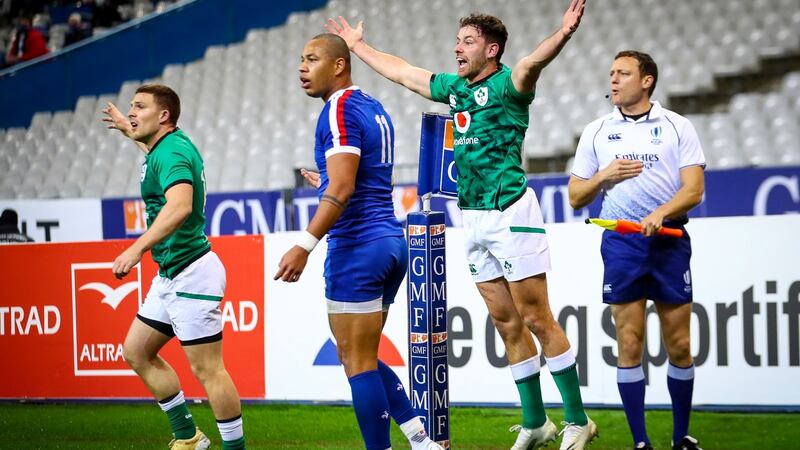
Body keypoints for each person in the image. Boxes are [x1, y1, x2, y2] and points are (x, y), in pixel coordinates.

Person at [326, 2, 598, 449]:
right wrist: (360, 48)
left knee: (536, 317)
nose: (458, 48)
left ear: (492, 50)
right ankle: (536, 423)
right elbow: (404, 72)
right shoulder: (456, 89)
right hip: (471, 216)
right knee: (506, 322)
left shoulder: (510, 86)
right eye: (458, 41)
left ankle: (577, 419)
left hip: (511, 212)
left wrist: (563, 34)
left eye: (468, 41)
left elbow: (532, 62)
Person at [274, 33, 444, 450]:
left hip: (357, 247)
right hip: (388, 241)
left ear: (338, 65)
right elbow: (357, 179)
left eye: (311, 59)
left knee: (357, 362)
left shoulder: (338, 110)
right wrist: (328, 183)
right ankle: (421, 441)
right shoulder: (372, 105)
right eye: (300, 58)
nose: (302, 67)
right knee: (359, 354)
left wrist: (306, 244)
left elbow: (345, 189)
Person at [567, 50, 705, 450]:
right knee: (629, 343)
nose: (613, 80)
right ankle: (641, 442)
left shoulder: (677, 126)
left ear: (646, 81)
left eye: (623, 73)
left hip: (669, 242)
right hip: (622, 244)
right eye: (611, 73)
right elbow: (576, 196)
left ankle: (681, 438)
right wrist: (603, 175)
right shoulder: (596, 131)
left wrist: (662, 212)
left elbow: (694, 190)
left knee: (679, 344)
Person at [101, 84, 246, 450]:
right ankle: (189, 437)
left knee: (208, 371)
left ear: (163, 115)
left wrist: (136, 249)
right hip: (170, 275)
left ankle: (235, 448)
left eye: (139, 107)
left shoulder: (173, 152)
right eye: (130, 107)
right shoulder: (164, 147)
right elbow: (153, 151)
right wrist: (126, 130)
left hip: (192, 273)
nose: (131, 112)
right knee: (137, 351)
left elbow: (180, 207)